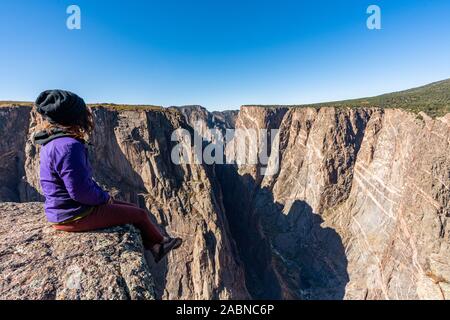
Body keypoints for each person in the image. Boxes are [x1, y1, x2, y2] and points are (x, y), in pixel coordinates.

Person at [33, 89, 182, 263]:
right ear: (73, 117)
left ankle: (157, 244)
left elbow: (78, 183)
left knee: (129, 206)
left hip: (63, 210)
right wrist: (103, 198)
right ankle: (160, 245)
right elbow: (80, 191)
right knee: (139, 214)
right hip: (74, 215)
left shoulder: (52, 142)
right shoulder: (69, 146)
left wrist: (105, 197)